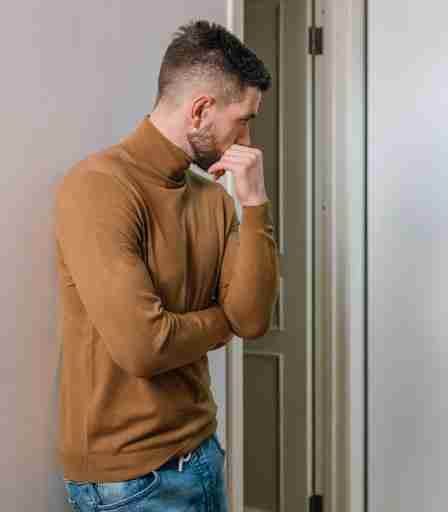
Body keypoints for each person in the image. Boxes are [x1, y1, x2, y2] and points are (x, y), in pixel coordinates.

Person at [55, 20, 279, 511]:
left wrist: (256, 202)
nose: (247, 138)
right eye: (243, 119)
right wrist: (221, 323)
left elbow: (253, 319)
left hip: (202, 453)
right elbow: (144, 347)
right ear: (201, 110)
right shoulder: (99, 187)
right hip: (131, 482)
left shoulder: (213, 199)